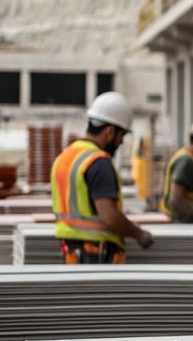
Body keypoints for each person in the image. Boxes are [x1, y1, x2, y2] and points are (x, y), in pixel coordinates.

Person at [50, 92, 154, 264]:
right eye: (122, 136)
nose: (121, 143)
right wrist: (139, 234)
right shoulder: (98, 162)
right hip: (96, 255)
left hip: (72, 253)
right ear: (110, 131)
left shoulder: (65, 157)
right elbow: (110, 217)